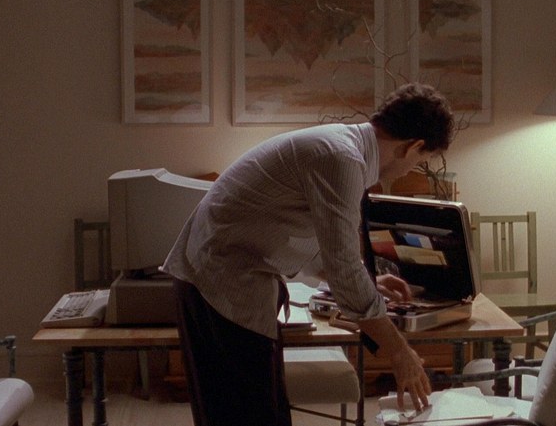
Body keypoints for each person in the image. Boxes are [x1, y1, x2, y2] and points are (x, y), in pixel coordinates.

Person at [161, 82, 455, 426]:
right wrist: (400, 351)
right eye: (422, 160)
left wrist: (368, 282)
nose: (412, 169)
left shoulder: (342, 147)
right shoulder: (342, 158)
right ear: (413, 146)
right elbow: (343, 269)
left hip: (219, 283)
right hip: (223, 290)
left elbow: (329, 253)